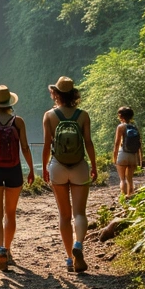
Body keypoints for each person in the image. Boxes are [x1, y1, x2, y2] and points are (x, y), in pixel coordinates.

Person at [41, 76, 98, 273]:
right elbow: (88, 142)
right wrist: (94, 165)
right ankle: (79, 245)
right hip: (79, 166)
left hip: (58, 166)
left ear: (56, 94)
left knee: (64, 216)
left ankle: (68, 259)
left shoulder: (49, 115)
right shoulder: (83, 115)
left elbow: (47, 145)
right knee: (79, 213)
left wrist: (44, 168)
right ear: (74, 94)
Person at [0, 85, 35, 271]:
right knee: (10, 213)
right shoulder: (19, 122)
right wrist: (32, 169)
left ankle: (0, 249)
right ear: (10, 103)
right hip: (14, 170)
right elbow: (25, 147)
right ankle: (8, 250)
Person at [113, 106, 143, 199]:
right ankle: (131, 197)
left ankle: (123, 199)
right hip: (133, 155)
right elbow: (139, 144)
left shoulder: (121, 127)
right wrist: (140, 159)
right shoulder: (135, 127)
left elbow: (117, 143)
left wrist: (114, 157)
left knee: (122, 179)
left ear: (120, 116)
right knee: (130, 179)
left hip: (123, 154)